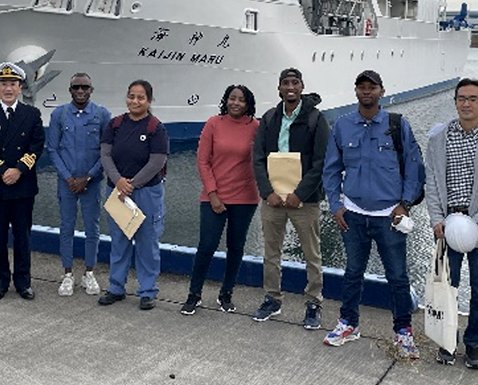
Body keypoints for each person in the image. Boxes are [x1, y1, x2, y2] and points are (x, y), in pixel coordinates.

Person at [321, 70, 424, 359]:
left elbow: (414, 167)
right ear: (356, 92)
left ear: (381, 91)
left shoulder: (397, 124)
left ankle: (403, 332)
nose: (367, 92)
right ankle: (348, 323)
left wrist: (404, 204)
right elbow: (331, 169)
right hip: (352, 214)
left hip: (389, 216)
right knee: (353, 273)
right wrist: (335, 204)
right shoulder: (342, 125)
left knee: (398, 276)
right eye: (362, 87)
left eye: (372, 87)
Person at [424, 78, 478, 369]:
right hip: (447, 225)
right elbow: (432, 182)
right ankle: (447, 341)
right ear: (455, 102)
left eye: (473, 98)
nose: (466, 103)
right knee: (447, 289)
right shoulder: (438, 137)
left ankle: (474, 345)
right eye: (461, 98)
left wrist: (477, 223)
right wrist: (437, 219)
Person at [251, 68, 329, 329]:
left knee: (312, 254)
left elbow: (320, 163)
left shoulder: (317, 120)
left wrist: (300, 194)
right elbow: (258, 158)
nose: (290, 87)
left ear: (302, 86)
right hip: (273, 199)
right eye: (286, 83)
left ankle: (314, 303)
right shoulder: (270, 118)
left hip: (304, 201)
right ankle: (272, 298)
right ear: (279, 88)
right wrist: (267, 192)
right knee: (271, 252)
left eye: (295, 82)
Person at [181, 85, 260, 315]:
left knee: (236, 247)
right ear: (226, 100)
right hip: (214, 196)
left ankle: (226, 294)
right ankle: (194, 295)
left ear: (248, 104)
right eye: (232, 98)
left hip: (245, 197)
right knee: (206, 246)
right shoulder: (213, 123)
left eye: (241, 100)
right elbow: (203, 161)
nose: (235, 103)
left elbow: (262, 158)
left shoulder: (255, 127)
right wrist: (213, 194)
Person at [0, 62, 45, 301]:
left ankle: (23, 282)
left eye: (13, 84)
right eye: (4, 84)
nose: (8, 88)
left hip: (23, 186)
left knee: (23, 238)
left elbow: (37, 145)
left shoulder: (31, 114)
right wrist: (2, 170)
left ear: (20, 87)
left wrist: (19, 170)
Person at [98, 80, 169, 310]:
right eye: (131, 96)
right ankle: (116, 287)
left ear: (149, 101)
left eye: (140, 97)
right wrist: (118, 180)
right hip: (118, 191)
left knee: (147, 242)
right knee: (119, 240)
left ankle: (147, 291)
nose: (134, 101)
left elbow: (157, 161)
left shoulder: (155, 128)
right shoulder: (115, 125)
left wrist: (133, 183)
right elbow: (106, 155)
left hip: (147, 192)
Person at [47, 73, 110, 297]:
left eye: (85, 87)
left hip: (91, 183)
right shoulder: (59, 114)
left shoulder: (102, 115)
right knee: (66, 227)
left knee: (92, 229)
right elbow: (53, 149)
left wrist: (89, 177)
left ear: (91, 90)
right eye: (76, 87)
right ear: (70, 90)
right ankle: (67, 274)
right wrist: (68, 177)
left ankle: (89, 273)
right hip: (67, 182)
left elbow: (106, 151)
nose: (80, 91)